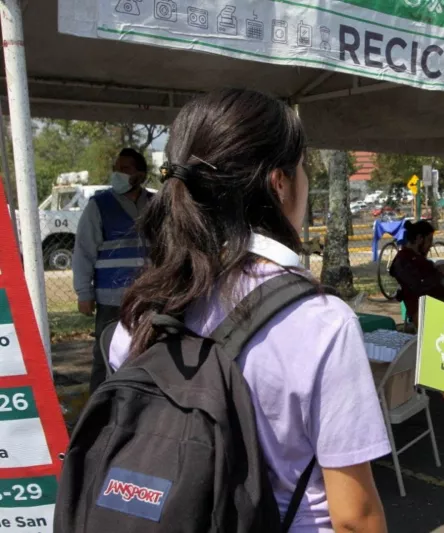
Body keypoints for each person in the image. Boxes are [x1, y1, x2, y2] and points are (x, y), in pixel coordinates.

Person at [107, 89, 389, 532]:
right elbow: (354, 517)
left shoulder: (142, 310)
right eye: (303, 170)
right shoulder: (321, 322)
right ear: (280, 182)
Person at [72, 147, 152, 392]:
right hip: (111, 299)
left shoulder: (156, 204)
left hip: (149, 297)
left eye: (125, 169)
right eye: (116, 168)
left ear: (140, 174)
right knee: (105, 356)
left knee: (148, 353)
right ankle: (99, 409)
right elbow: (84, 251)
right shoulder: (99, 205)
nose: (118, 173)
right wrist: (83, 293)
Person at [389, 219, 444, 326]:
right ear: (419, 239)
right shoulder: (404, 260)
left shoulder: (415, 258)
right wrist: (439, 273)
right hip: (425, 312)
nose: (430, 245)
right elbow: (418, 286)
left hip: (436, 307)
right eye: (429, 240)